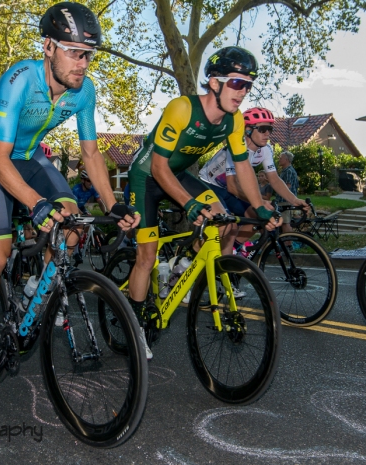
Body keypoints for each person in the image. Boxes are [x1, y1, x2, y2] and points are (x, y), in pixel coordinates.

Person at [0, 2, 138, 388]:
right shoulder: (20, 79)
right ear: (48, 47)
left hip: (30, 157)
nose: (82, 63)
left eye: (88, 55)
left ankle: (36, 287)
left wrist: (113, 204)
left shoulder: (84, 92)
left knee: (73, 222)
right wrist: (35, 203)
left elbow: (91, 153)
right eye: (74, 53)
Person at [126, 47, 281, 360]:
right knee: (146, 255)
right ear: (215, 82)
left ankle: (184, 262)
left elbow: (243, 167)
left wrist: (260, 207)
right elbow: (158, 167)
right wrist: (188, 204)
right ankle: (135, 325)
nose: (243, 92)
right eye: (237, 83)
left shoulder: (234, 121)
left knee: (225, 222)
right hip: (147, 177)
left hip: (178, 175)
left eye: (248, 85)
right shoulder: (182, 108)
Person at [199, 107, 307, 247]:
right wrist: (260, 201)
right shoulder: (236, 147)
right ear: (248, 130)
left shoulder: (266, 149)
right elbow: (232, 186)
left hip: (229, 189)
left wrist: (294, 200)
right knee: (227, 226)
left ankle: (232, 253)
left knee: (258, 217)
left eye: (270, 129)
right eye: (262, 129)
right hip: (211, 185)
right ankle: (196, 255)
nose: (267, 134)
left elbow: (274, 179)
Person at [275, 150, 300, 234]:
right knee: (284, 223)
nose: (279, 160)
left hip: (285, 201)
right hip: (282, 200)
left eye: (281, 158)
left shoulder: (288, 171)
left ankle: (288, 244)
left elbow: (288, 186)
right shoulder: (284, 170)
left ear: (286, 160)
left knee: (286, 223)